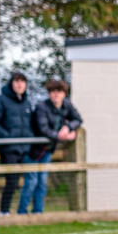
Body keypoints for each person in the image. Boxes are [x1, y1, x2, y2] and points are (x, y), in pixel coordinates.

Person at [20, 80, 82, 214]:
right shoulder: (42, 107)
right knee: (31, 182)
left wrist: (67, 127)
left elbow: (77, 119)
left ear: (64, 94)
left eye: (59, 92)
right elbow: (43, 129)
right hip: (33, 150)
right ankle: (22, 212)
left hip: (47, 150)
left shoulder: (66, 105)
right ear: (49, 93)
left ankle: (38, 211)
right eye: (53, 92)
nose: (56, 94)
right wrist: (62, 136)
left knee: (42, 182)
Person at [0, 72, 34, 215]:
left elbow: (30, 125)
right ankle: (4, 210)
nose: (20, 84)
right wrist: (7, 137)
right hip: (9, 148)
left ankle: (23, 210)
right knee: (12, 181)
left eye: (22, 81)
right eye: (16, 81)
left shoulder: (27, 102)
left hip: (26, 148)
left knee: (31, 180)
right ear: (11, 83)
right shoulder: (0, 100)